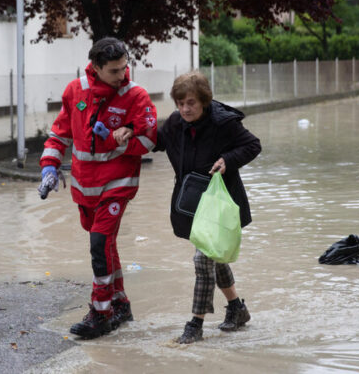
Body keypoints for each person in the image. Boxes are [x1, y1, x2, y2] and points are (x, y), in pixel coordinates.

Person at [38, 37, 158, 339]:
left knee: (99, 244)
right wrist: (49, 168)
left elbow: (149, 142)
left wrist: (125, 137)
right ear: (96, 67)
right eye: (115, 71)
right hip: (85, 185)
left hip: (118, 183)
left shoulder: (136, 96)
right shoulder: (75, 91)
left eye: (124, 68)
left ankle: (100, 313)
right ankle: (121, 304)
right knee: (106, 244)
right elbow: (60, 134)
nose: (122, 75)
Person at [154, 71, 261, 344]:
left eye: (190, 102)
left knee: (203, 261)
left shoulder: (223, 122)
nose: (185, 109)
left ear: (203, 101)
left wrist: (227, 159)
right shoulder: (176, 123)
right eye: (180, 103)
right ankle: (237, 309)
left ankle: (195, 324)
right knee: (214, 256)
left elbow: (252, 145)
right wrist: (129, 131)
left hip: (220, 204)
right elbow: (156, 140)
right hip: (191, 204)